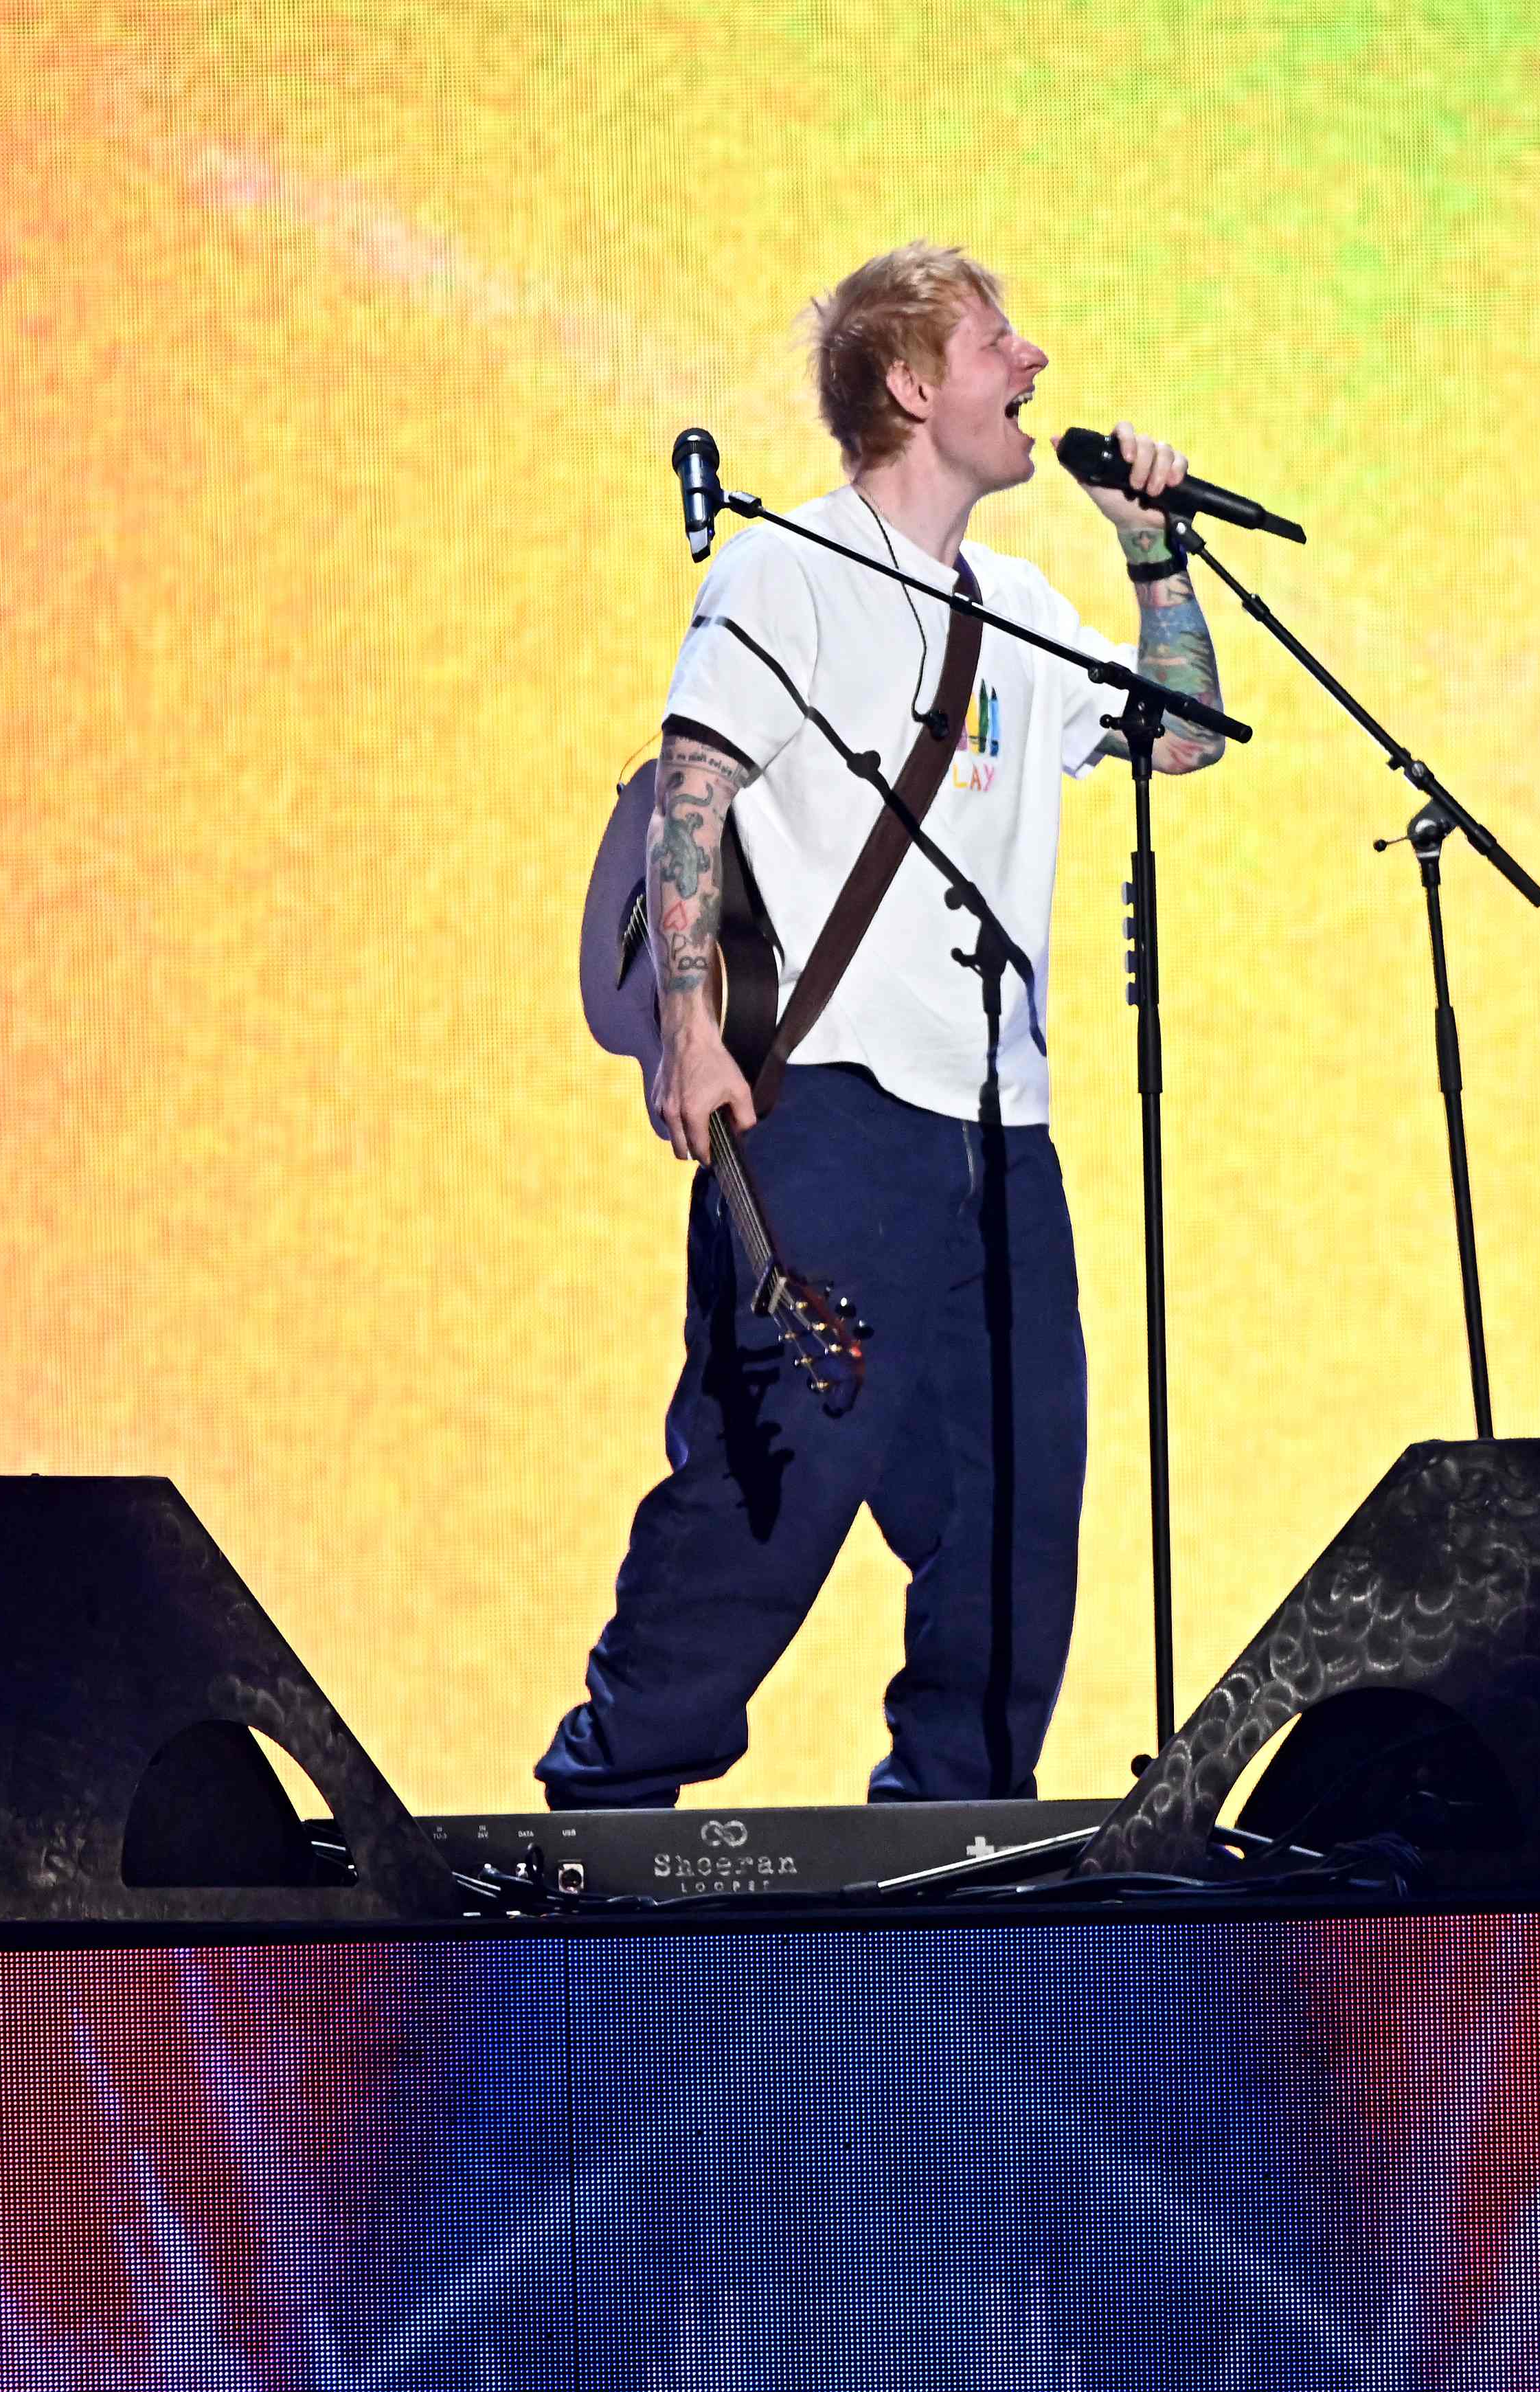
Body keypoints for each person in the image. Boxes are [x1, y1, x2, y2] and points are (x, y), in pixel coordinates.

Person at [539, 241, 1229, 1809]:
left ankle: (955, 1817)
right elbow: (692, 792)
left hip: (1004, 1128)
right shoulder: (791, 571)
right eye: (1002, 340)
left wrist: (1153, 553)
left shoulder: (1030, 608)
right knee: (781, 1473)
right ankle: (612, 1788)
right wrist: (691, 1028)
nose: (1037, 364)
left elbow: (1182, 738)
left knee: (1015, 1488)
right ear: (917, 386)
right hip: (835, 1108)